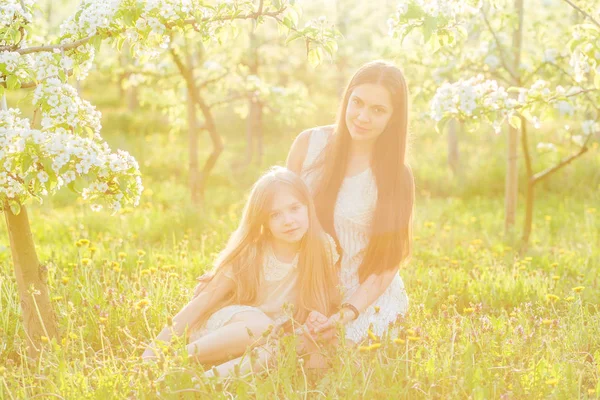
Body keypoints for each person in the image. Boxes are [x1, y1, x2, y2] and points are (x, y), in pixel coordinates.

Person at [142, 167, 340, 368]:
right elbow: (201, 303)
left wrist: (318, 318)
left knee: (279, 349)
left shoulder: (322, 247)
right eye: (275, 215)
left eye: (294, 208)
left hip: (270, 336)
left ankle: (202, 382)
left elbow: (326, 297)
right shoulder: (252, 251)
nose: (288, 221)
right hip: (225, 327)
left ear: (308, 206)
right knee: (261, 327)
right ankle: (174, 359)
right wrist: (152, 350)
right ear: (263, 220)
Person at [286, 60, 415, 345]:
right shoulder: (309, 144)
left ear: (393, 118)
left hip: (363, 297)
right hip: (303, 285)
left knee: (322, 347)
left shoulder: (396, 177)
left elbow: (386, 264)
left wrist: (347, 313)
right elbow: (273, 215)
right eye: (357, 102)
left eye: (378, 110)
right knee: (253, 332)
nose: (362, 117)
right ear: (346, 99)